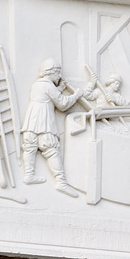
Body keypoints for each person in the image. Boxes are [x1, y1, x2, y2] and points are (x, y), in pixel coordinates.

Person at [20, 57, 83, 198]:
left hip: (31, 120)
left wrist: (59, 89)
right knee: (51, 149)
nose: (59, 76)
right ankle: (61, 182)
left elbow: (48, 95)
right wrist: (76, 95)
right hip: (43, 120)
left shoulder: (37, 84)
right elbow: (62, 104)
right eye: (58, 73)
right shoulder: (48, 86)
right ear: (50, 72)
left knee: (30, 146)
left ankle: (28, 174)